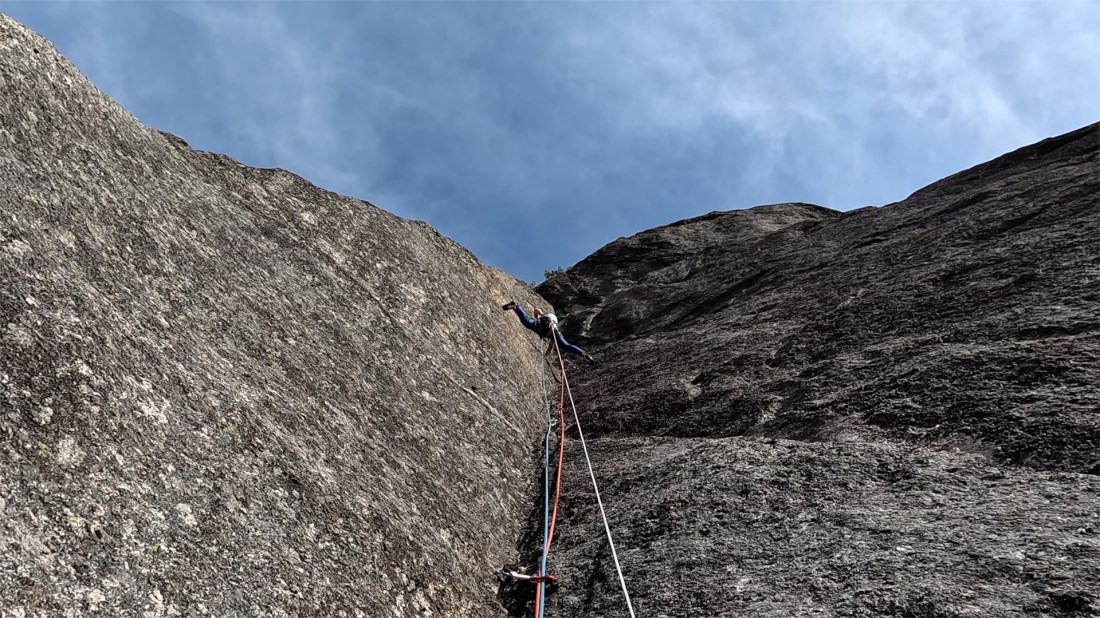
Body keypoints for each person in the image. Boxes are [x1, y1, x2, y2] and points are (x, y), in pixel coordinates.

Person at [503, 301, 595, 364]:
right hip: (551, 331)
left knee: (526, 321)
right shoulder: (553, 324)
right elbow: (551, 345)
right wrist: (545, 356)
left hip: (541, 325)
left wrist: (538, 315)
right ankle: (582, 353)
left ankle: (517, 307)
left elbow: (537, 310)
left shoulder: (545, 316)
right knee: (566, 346)